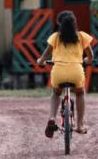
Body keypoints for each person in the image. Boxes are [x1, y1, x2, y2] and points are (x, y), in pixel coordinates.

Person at [36, 10, 94, 138]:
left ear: (59, 24)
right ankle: (79, 125)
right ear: (75, 22)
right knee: (80, 92)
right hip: (76, 72)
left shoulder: (56, 37)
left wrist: (40, 61)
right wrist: (87, 60)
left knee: (56, 93)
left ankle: (52, 117)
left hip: (59, 72)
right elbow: (91, 56)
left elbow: (45, 54)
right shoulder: (82, 36)